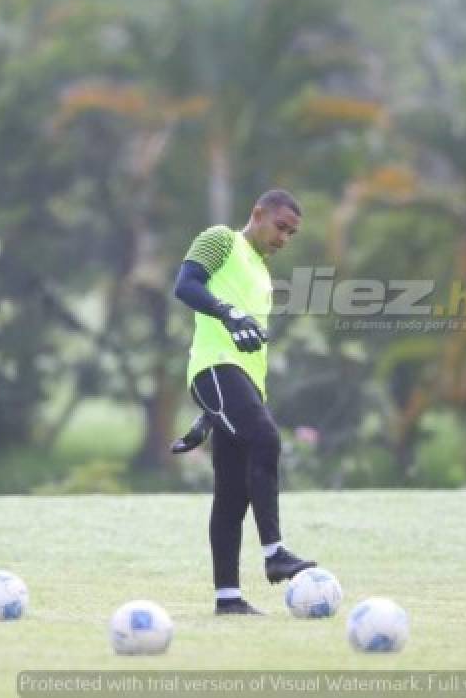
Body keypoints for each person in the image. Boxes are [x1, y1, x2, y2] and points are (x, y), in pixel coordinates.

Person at [172, 188, 316, 615]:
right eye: (280, 227)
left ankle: (228, 599)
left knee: (232, 493)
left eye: (291, 233)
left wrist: (209, 419)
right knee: (266, 440)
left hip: (240, 387)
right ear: (257, 214)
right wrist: (228, 312)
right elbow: (185, 286)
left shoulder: (263, 274)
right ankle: (274, 553)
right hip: (214, 370)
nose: (284, 238)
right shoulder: (221, 240)